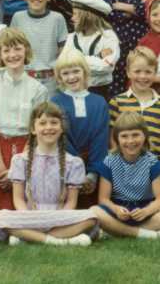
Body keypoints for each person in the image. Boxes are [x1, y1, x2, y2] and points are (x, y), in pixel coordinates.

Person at [0, 102, 97, 246]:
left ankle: (28, 237)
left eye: (54, 122)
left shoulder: (74, 162)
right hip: (30, 217)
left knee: (92, 216)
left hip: (59, 217)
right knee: (1, 216)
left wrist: (60, 218)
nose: (48, 127)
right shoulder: (20, 160)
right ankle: (59, 241)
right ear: (33, 129)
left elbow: (71, 202)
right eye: (42, 123)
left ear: (61, 128)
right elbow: (18, 198)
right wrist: (28, 217)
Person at [0, 28, 48, 212]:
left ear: (26, 50)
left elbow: (37, 130)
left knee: (25, 202)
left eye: (17, 49)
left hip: (27, 148)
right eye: (6, 50)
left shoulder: (38, 89)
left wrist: (18, 167)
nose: (12, 55)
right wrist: (2, 168)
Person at [91, 112, 160, 240]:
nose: (130, 141)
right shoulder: (109, 162)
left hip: (145, 210)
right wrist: (116, 209)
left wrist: (146, 211)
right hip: (119, 211)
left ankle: (116, 231)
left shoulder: (152, 163)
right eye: (124, 136)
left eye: (135, 135)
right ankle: (149, 234)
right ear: (117, 139)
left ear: (144, 136)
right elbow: (103, 199)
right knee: (94, 211)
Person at [51, 50, 109, 208]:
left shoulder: (99, 102)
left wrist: (92, 174)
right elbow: (59, 137)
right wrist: (77, 168)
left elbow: (101, 138)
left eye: (76, 71)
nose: (71, 77)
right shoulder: (55, 102)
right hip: (65, 166)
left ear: (85, 72)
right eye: (65, 73)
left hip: (94, 167)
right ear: (59, 77)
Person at [109, 47, 160, 166]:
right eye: (137, 71)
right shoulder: (117, 102)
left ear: (155, 73)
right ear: (128, 72)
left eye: (148, 72)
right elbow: (112, 135)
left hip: (155, 164)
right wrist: (117, 161)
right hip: (125, 164)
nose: (143, 76)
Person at [10, 0, 68, 97]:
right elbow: (12, 50)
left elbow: (63, 52)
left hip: (51, 80)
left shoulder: (57, 19)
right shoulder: (17, 18)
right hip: (24, 78)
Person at [61, 0, 119, 100]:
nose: (72, 18)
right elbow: (65, 64)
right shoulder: (71, 37)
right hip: (74, 90)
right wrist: (98, 57)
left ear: (87, 16)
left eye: (75, 14)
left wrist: (75, 61)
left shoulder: (108, 37)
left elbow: (106, 66)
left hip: (99, 91)